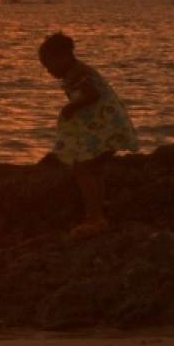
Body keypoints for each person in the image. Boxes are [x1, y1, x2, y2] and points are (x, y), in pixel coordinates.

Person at [38, 32, 138, 238]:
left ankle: (94, 217)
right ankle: (98, 211)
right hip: (106, 127)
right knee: (96, 169)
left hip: (103, 128)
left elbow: (92, 94)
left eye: (48, 65)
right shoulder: (76, 71)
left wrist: (71, 107)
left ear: (63, 56)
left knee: (83, 169)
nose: (48, 71)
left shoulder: (76, 72)